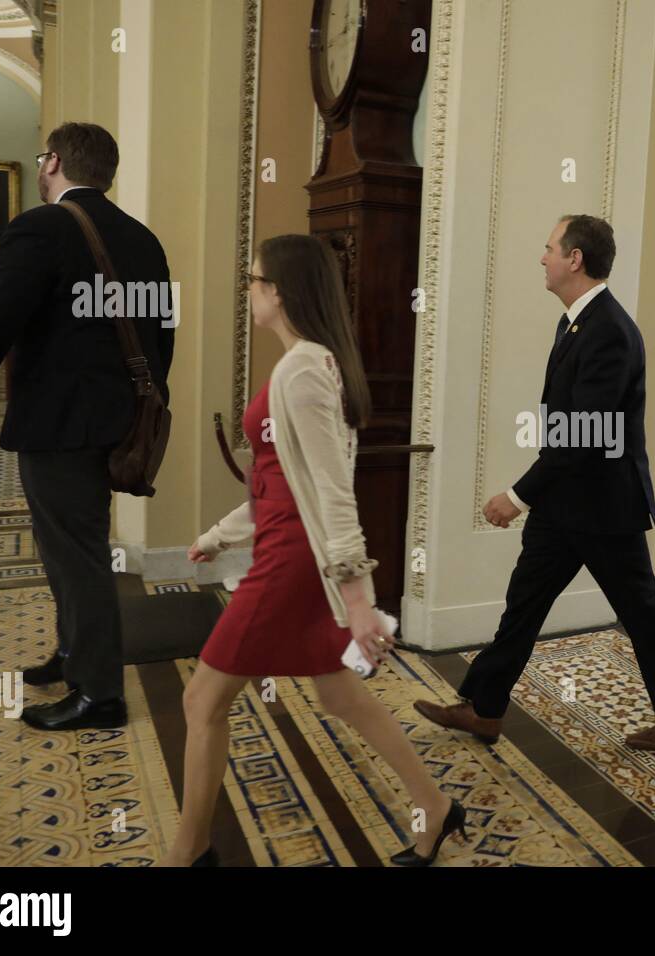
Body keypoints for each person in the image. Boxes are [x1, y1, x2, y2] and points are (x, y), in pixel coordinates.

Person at [161, 235, 464, 867]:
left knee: (203, 698)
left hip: (294, 562)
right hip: (286, 545)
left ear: (280, 291)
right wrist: (218, 535)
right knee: (338, 694)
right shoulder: (309, 363)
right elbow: (281, 484)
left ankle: (188, 853)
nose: (248, 289)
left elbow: (332, 495)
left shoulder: (302, 369)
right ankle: (434, 807)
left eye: (253, 279)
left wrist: (357, 599)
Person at [413, 215, 655, 752]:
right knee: (523, 604)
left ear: (575, 259)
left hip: (604, 508)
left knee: (641, 612)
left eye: (550, 248)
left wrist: (517, 496)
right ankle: (483, 708)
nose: (543, 257)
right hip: (565, 504)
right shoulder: (575, 322)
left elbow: (585, 438)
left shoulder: (610, 332)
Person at [0, 122, 174, 730]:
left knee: (77, 553)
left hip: (61, 423)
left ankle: (99, 694)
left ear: (53, 161)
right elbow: (160, 328)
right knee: (68, 548)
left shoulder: (41, 227)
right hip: (118, 421)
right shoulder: (142, 238)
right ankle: (71, 652)